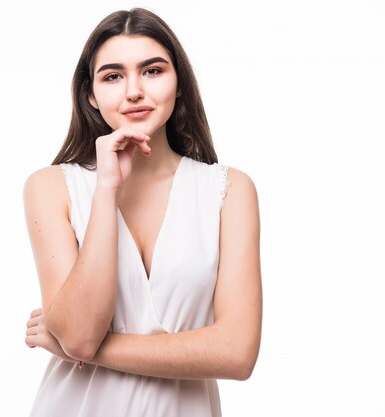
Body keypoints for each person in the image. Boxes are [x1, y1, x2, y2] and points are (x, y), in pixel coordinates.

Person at [22, 7, 262, 417]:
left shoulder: (229, 190)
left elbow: (237, 354)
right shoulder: (51, 187)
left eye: (152, 71)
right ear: (91, 95)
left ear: (179, 84)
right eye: (113, 76)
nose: (133, 91)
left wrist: (85, 349)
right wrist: (106, 190)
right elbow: (80, 335)